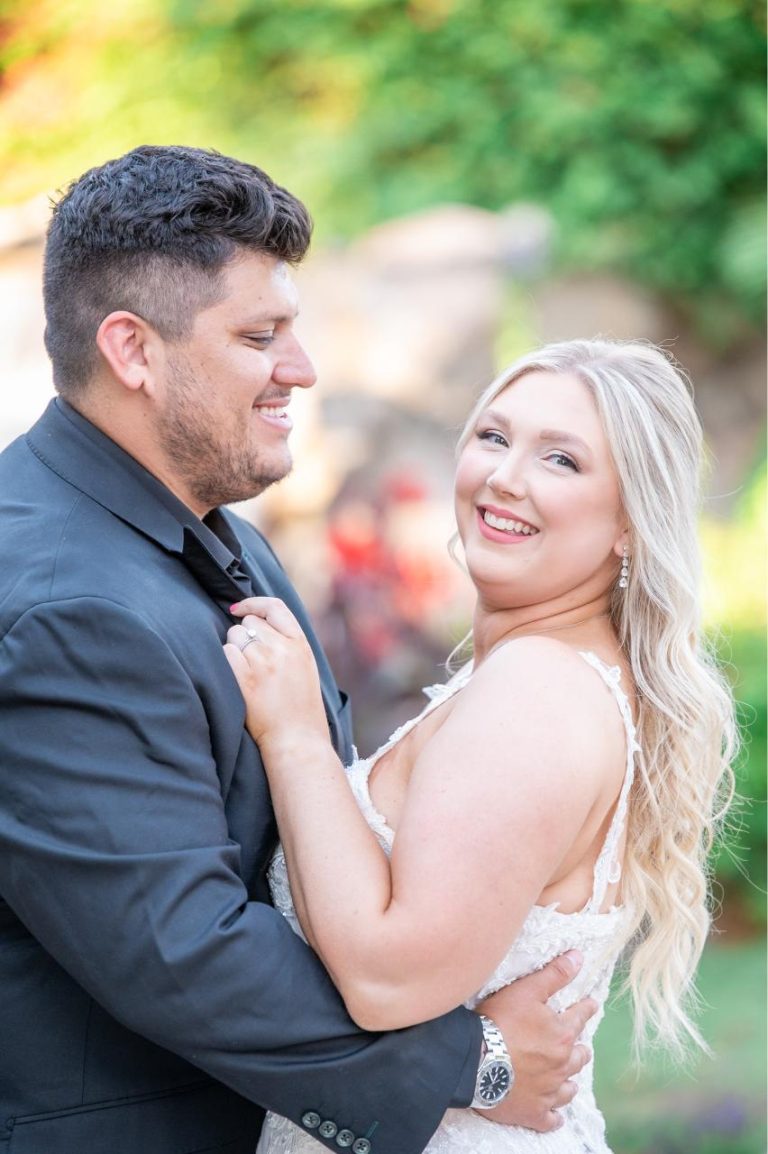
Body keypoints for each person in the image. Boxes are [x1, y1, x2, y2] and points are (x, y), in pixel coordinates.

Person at [0, 146, 595, 1154]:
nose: (301, 368)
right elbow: (180, 950)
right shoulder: (60, 607)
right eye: (260, 335)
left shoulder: (219, 535)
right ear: (133, 350)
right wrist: (474, 1063)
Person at [225, 339, 737, 1152]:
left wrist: (293, 738)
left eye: (561, 460)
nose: (504, 476)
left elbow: (391, 978)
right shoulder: (546, 676)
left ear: (631, 526)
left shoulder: (536, 690)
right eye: (494, 437)